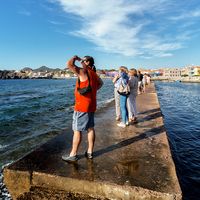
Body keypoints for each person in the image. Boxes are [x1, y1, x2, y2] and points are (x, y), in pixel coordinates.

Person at [62, 55, 104, 162]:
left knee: (77, 130)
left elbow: (68, 64)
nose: (81, 62)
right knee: (90, 128)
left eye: (83, 61)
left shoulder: (84, 72)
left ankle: (73, 154)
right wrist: (92, 91)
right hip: (91, 105)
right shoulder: (94, 73)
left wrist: (75, 57)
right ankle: (90, 151)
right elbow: (101, 83)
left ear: (88, 62)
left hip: (82, 106)